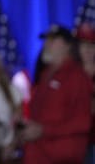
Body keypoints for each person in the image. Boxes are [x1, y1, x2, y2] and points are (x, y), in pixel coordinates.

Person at [19, 24, 92, 164]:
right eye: (46, 40)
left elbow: (82, 122)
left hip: (62, 157)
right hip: (38, 155)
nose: (47, 44)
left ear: (68, 46)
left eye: (53, 40)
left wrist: (43, 130)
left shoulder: (77, 77)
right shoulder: (45, 75)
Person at [75, 22, 95, 164]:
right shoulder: (68, 74)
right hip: (78, 141)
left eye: (92, 45)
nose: (88, 50)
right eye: (83, 45)